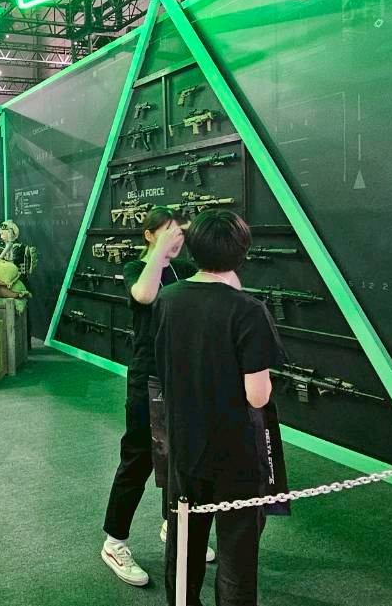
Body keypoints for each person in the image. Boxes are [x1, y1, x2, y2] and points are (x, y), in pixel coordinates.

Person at [157, 209, 282, 606]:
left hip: (184, 443)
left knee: (184, 546)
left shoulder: (168, 299)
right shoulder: (249, 310)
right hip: (236, 451)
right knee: (237, 556)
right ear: (241, 252)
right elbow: (257, 395)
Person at [100, 208, 211, 588]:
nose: (176, 238)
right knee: (138, 460)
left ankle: (172, 525)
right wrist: (160, 253)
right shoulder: (137, 268)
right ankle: (114, 543)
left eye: (178, 232)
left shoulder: (184, 270)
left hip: (182, 379)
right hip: (147, 378)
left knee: (179, 457)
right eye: (166, 231)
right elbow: (144, 295)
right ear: (149, 235)